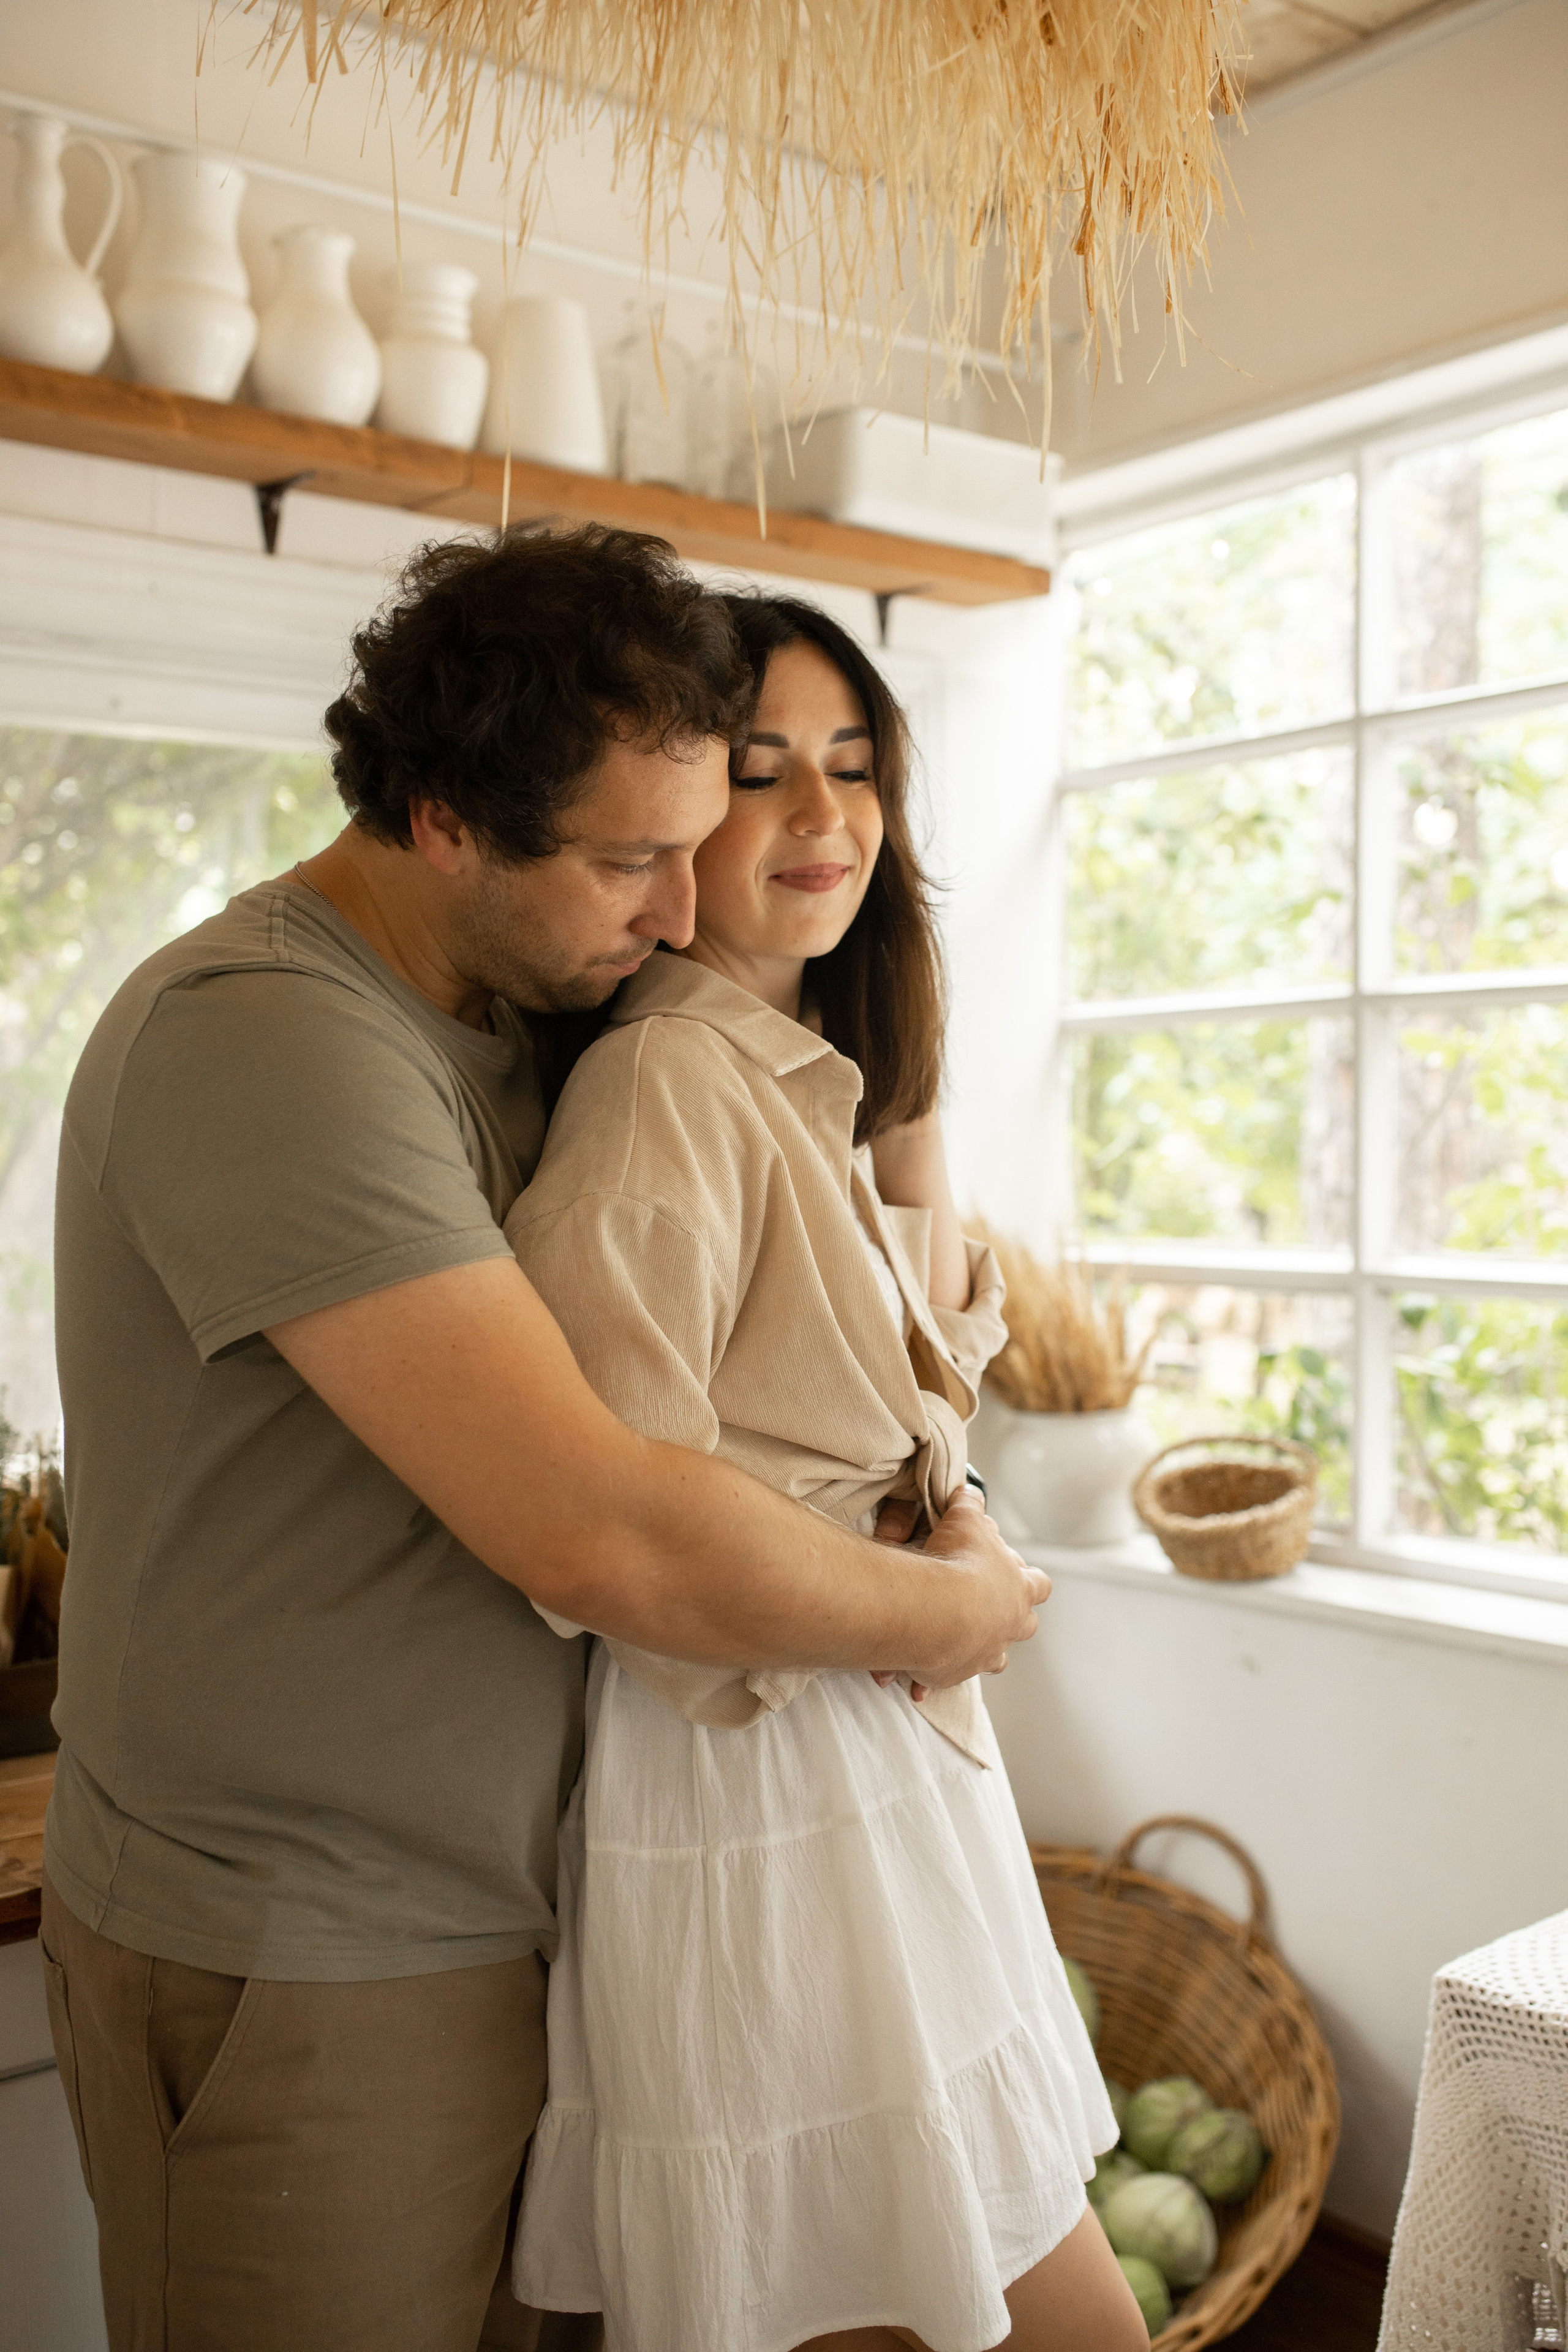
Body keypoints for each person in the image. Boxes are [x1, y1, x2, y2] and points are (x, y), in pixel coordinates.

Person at [40, 526, 1049, 2352]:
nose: (679, 912)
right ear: (442, 819)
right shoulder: (268, 1039)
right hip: (314, 1939)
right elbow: (605, 1534)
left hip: (536, 1908)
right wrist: (959, 1615)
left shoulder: (522, 1011)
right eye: (632, 859)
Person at [507, 594, 1147, 2352]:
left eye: (860, 772)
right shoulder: (661, 1095)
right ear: (669, 813)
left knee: (956, 2286)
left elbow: (918, 1352)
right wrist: (923, 1591)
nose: (827, 818)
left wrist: (954, 1522)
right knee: (945, 2299)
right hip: (765, 1782)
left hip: (873, 1749)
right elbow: (604, 1527)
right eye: (764, 774)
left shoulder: (795, 1080)